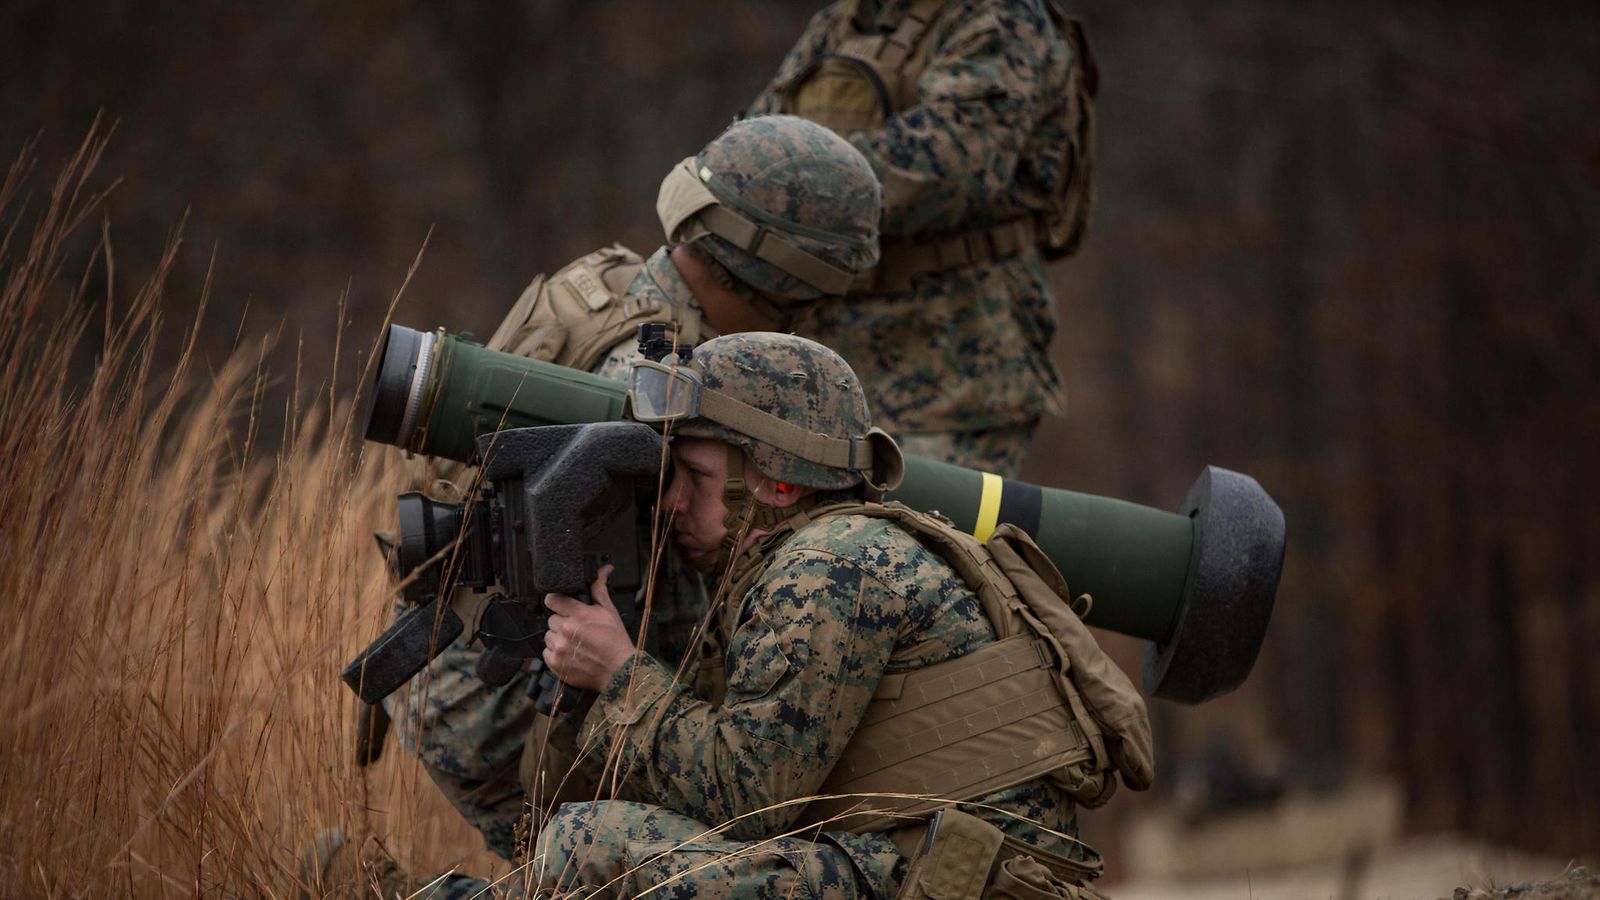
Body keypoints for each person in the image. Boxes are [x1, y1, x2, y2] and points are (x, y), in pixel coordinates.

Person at [309, 114, 885, 895]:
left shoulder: (604, 285)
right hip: (511, 702)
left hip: (455, 663)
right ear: (784, 276)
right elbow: (680, 629)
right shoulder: (657, 387)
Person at [519, 331, 1152, 898]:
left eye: (694, 474)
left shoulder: (830, 564)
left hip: (958, 879)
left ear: (779, 483)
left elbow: (744, 801)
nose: (673, 501)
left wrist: (619, 673)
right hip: (932, 867)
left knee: (589, 844)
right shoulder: (816, 555)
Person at [745, 0, 1099, 478]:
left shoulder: (999, 16)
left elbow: (950, 165)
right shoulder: (847, 19)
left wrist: (786, 177)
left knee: (924, 540)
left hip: (955, 367)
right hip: (824, 361)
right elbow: (757, 135)